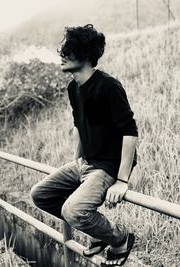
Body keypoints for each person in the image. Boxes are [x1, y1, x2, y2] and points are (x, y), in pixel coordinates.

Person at [30, 24, 138, 266]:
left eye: (69, 50)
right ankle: (98, 233)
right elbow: (79, 126)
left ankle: (120, 239)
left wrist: (121, 180)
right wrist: (77, 163)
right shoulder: (73, 87)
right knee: (41, 195)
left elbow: (130, 132)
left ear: (86, 56)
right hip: (85, 163)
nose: (62, 55)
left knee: (72, 211)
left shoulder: (108, 86)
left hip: (107, 166)